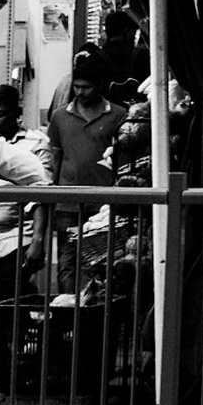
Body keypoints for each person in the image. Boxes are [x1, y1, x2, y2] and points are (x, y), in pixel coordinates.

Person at [0, 89, 53, 405]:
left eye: (1, 113)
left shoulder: (34, 143)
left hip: (13, 240)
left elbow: (41, 189)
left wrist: (37, 242)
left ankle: (4, 386)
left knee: (2, 316)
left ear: (17, 113)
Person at [45, 54, 126, 288]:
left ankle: (96, 305)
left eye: (86, 87)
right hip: (67, 201)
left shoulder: (118, 115)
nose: (80, 92)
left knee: (103, 260)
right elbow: (56, 158)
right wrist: (52, 195)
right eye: (76, 86)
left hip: (104, 202)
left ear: (100, 86)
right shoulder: (60, 116)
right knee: (67, 260)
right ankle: (68, 305)